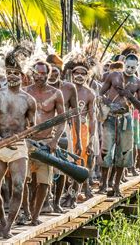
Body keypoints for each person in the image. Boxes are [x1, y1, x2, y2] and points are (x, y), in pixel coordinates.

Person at [0, 52, 36, 238]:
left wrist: (24, 135)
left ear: (23, 76)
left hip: (19, 146)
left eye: (16, 73)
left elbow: (33, 127)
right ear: (5, 74)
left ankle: (9, 225)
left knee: (19, 186)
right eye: (9, 72)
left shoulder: (29, 100)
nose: (12, 75)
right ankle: (2, 221)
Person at [25, 60, 65, 225]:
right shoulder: (25, 93)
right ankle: (25, 211)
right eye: (37, 73)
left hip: (46, 142)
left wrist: (55, 140)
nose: (40, 76)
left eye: (43, 74)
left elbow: (62, 120)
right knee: (23, 181)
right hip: (27, 141)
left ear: (49, 75)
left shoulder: (56, 93)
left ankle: (35, 216)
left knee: (44, 181)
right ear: (32, 73)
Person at [99, 54, 140, 196]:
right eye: (128, 66)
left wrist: (129, 95)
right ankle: (103, 184)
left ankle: (116, 186)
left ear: (137, 67)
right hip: (110, 118)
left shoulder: (138, 83)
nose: (130, 69)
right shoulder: (113, 76)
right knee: (106, 151)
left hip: (125, 119)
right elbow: (100, 94)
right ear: (124, 63)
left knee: (124, 152)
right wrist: (107, 103)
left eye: (133, 67)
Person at [46, 58, 82, 212]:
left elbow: (76, 113)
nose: (53, 73)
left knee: (62, 166)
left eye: (56, 70)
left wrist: (78, 137)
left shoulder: (68, 88)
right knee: (43, 166)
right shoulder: (38, 88)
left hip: (63, 130)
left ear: (60, 71)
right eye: (50, 70)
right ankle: (45, 201)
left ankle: (56, 202)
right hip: (44, 129)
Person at [63, 53, 96, 203]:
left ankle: (74, 194)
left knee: (79, 161)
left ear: (88, 75)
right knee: (63, 161)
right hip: (64, 128)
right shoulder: (64, 89)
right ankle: (64, 194)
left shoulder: (90, 94)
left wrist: (92, 138)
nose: (80, 76)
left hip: (82, 130)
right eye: (77, 72)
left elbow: (92, 117)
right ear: (72, 73)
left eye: (83, 73)